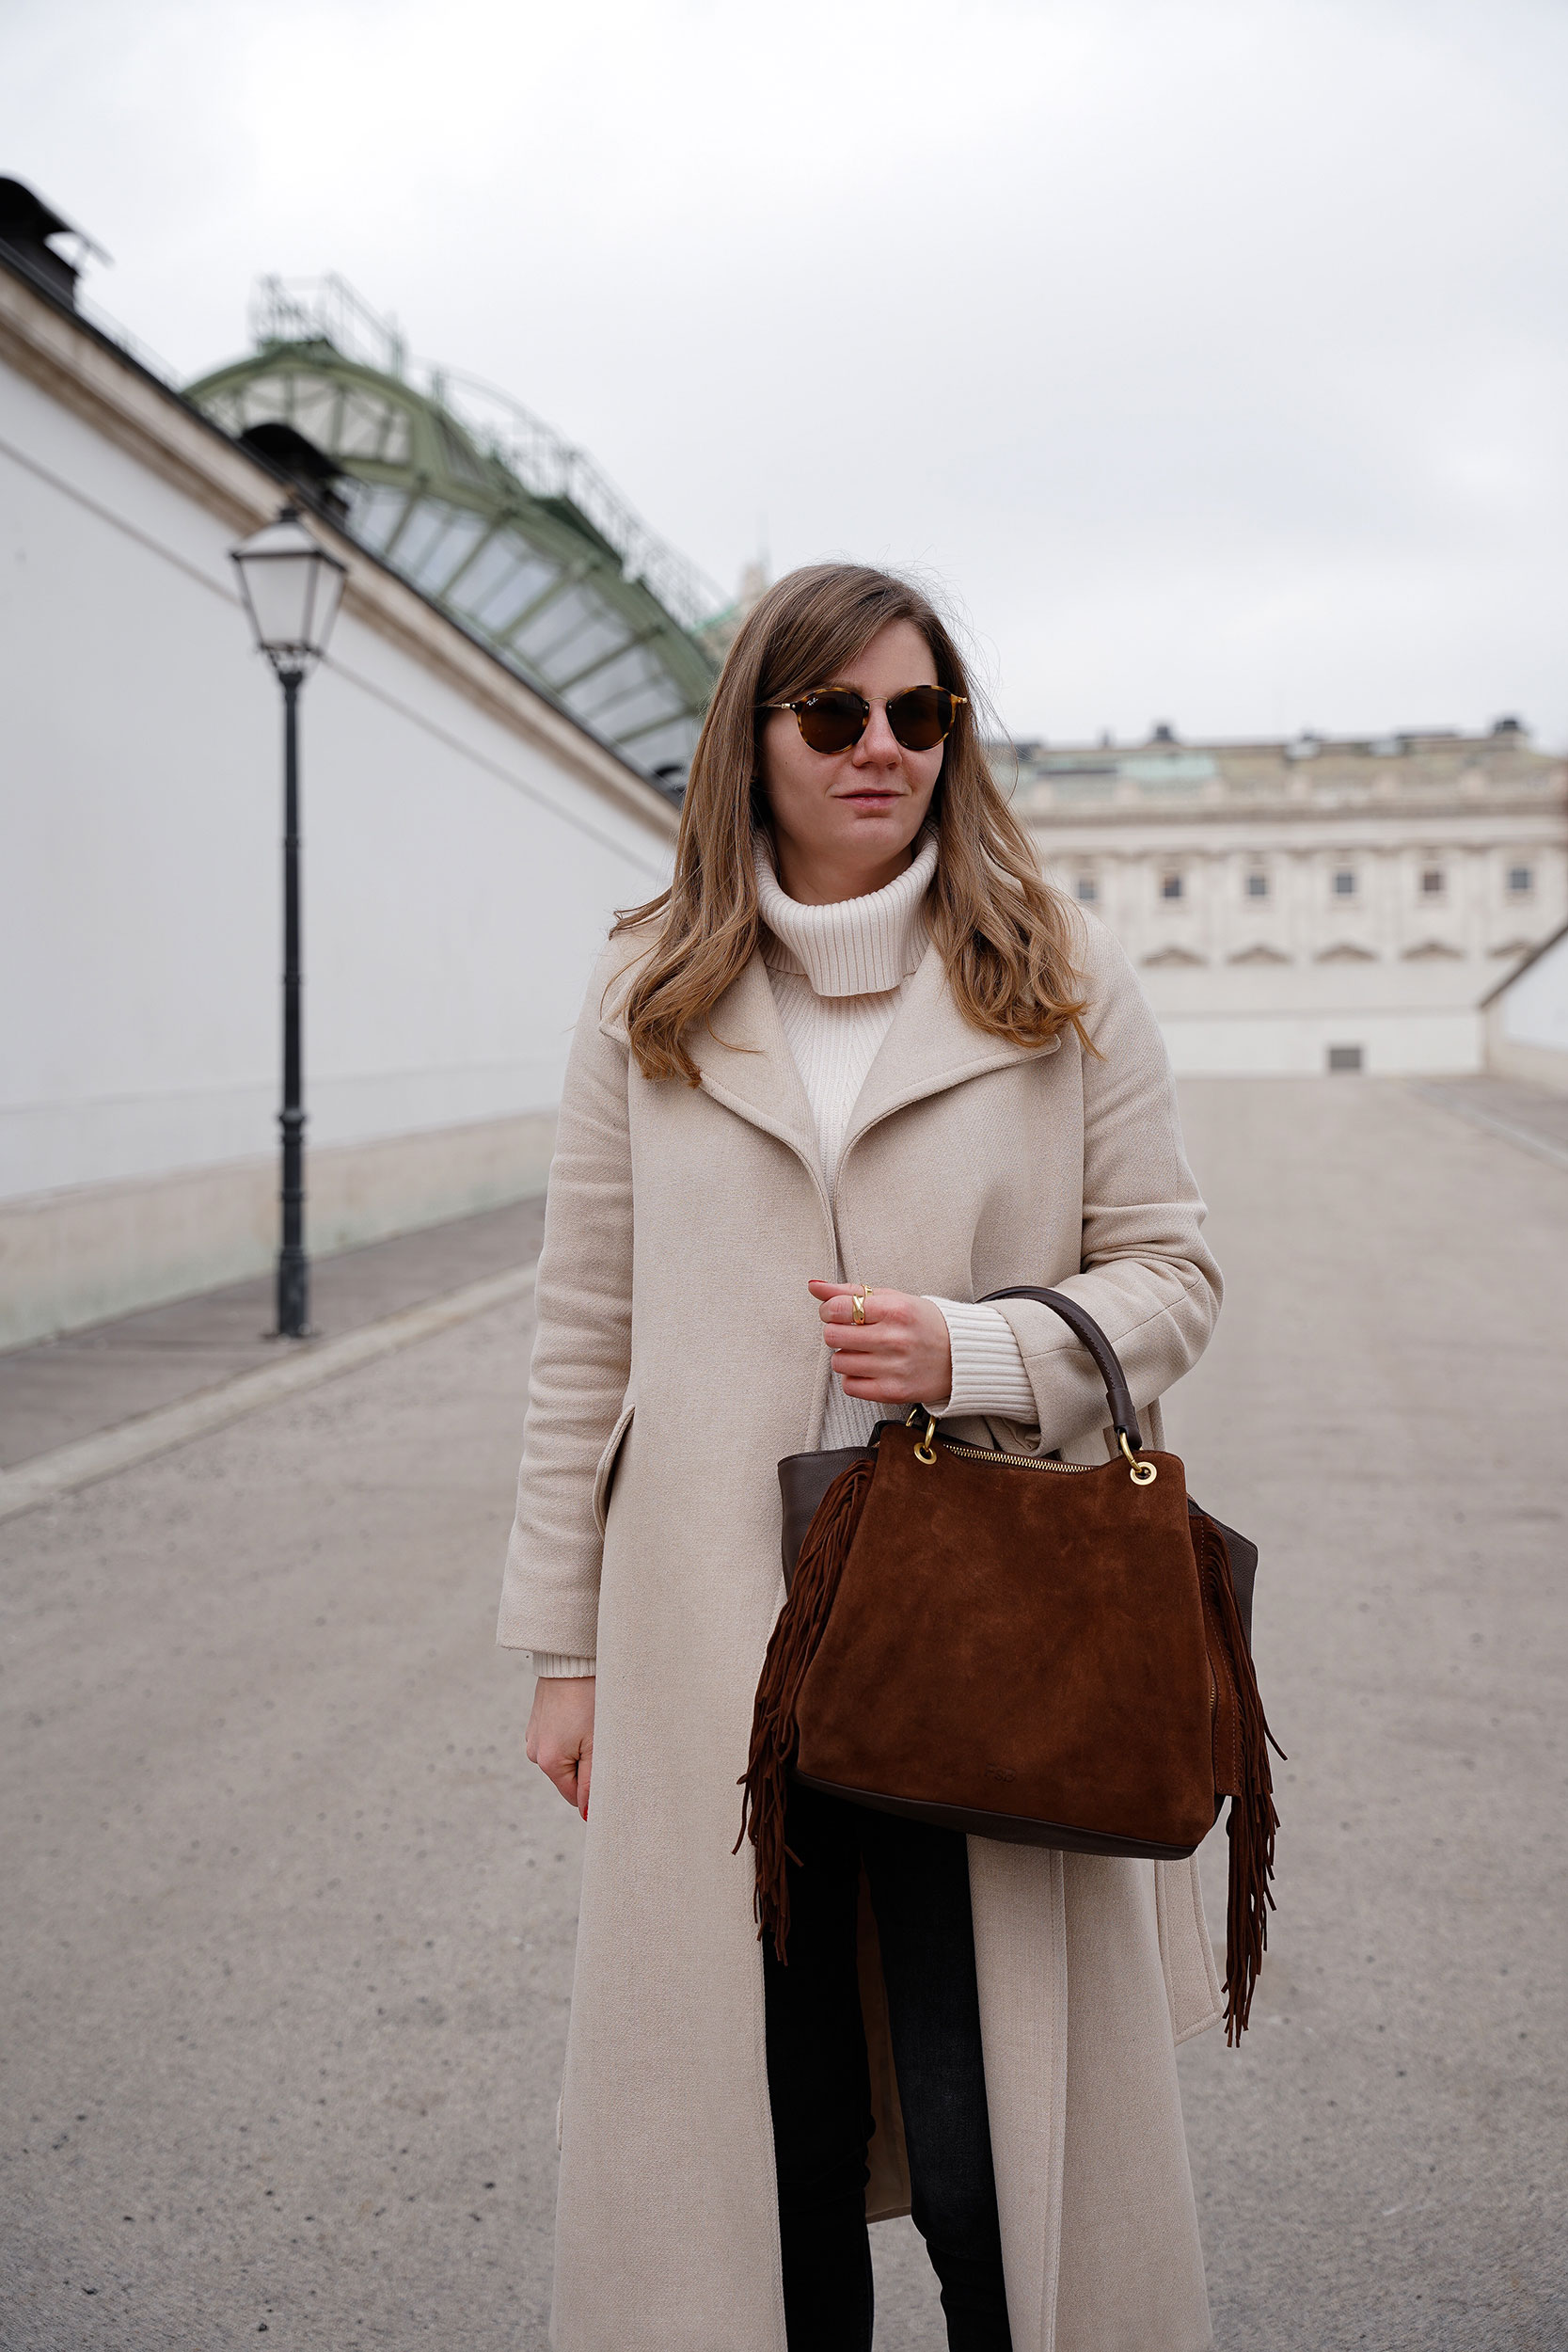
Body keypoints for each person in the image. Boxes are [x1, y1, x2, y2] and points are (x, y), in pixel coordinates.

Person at [499, 563, 1225, 2352]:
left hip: (983, 1617)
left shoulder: (1058, 974)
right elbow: (583, 1328)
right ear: (755, 739)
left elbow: (1175, 1272)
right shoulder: (643, 991)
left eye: (921, 714)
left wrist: (972, 1347)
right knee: (769, 2133)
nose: (882, 748)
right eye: (835, 716)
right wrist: (563, 1651)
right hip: (713, 1637)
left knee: (994, 2144)